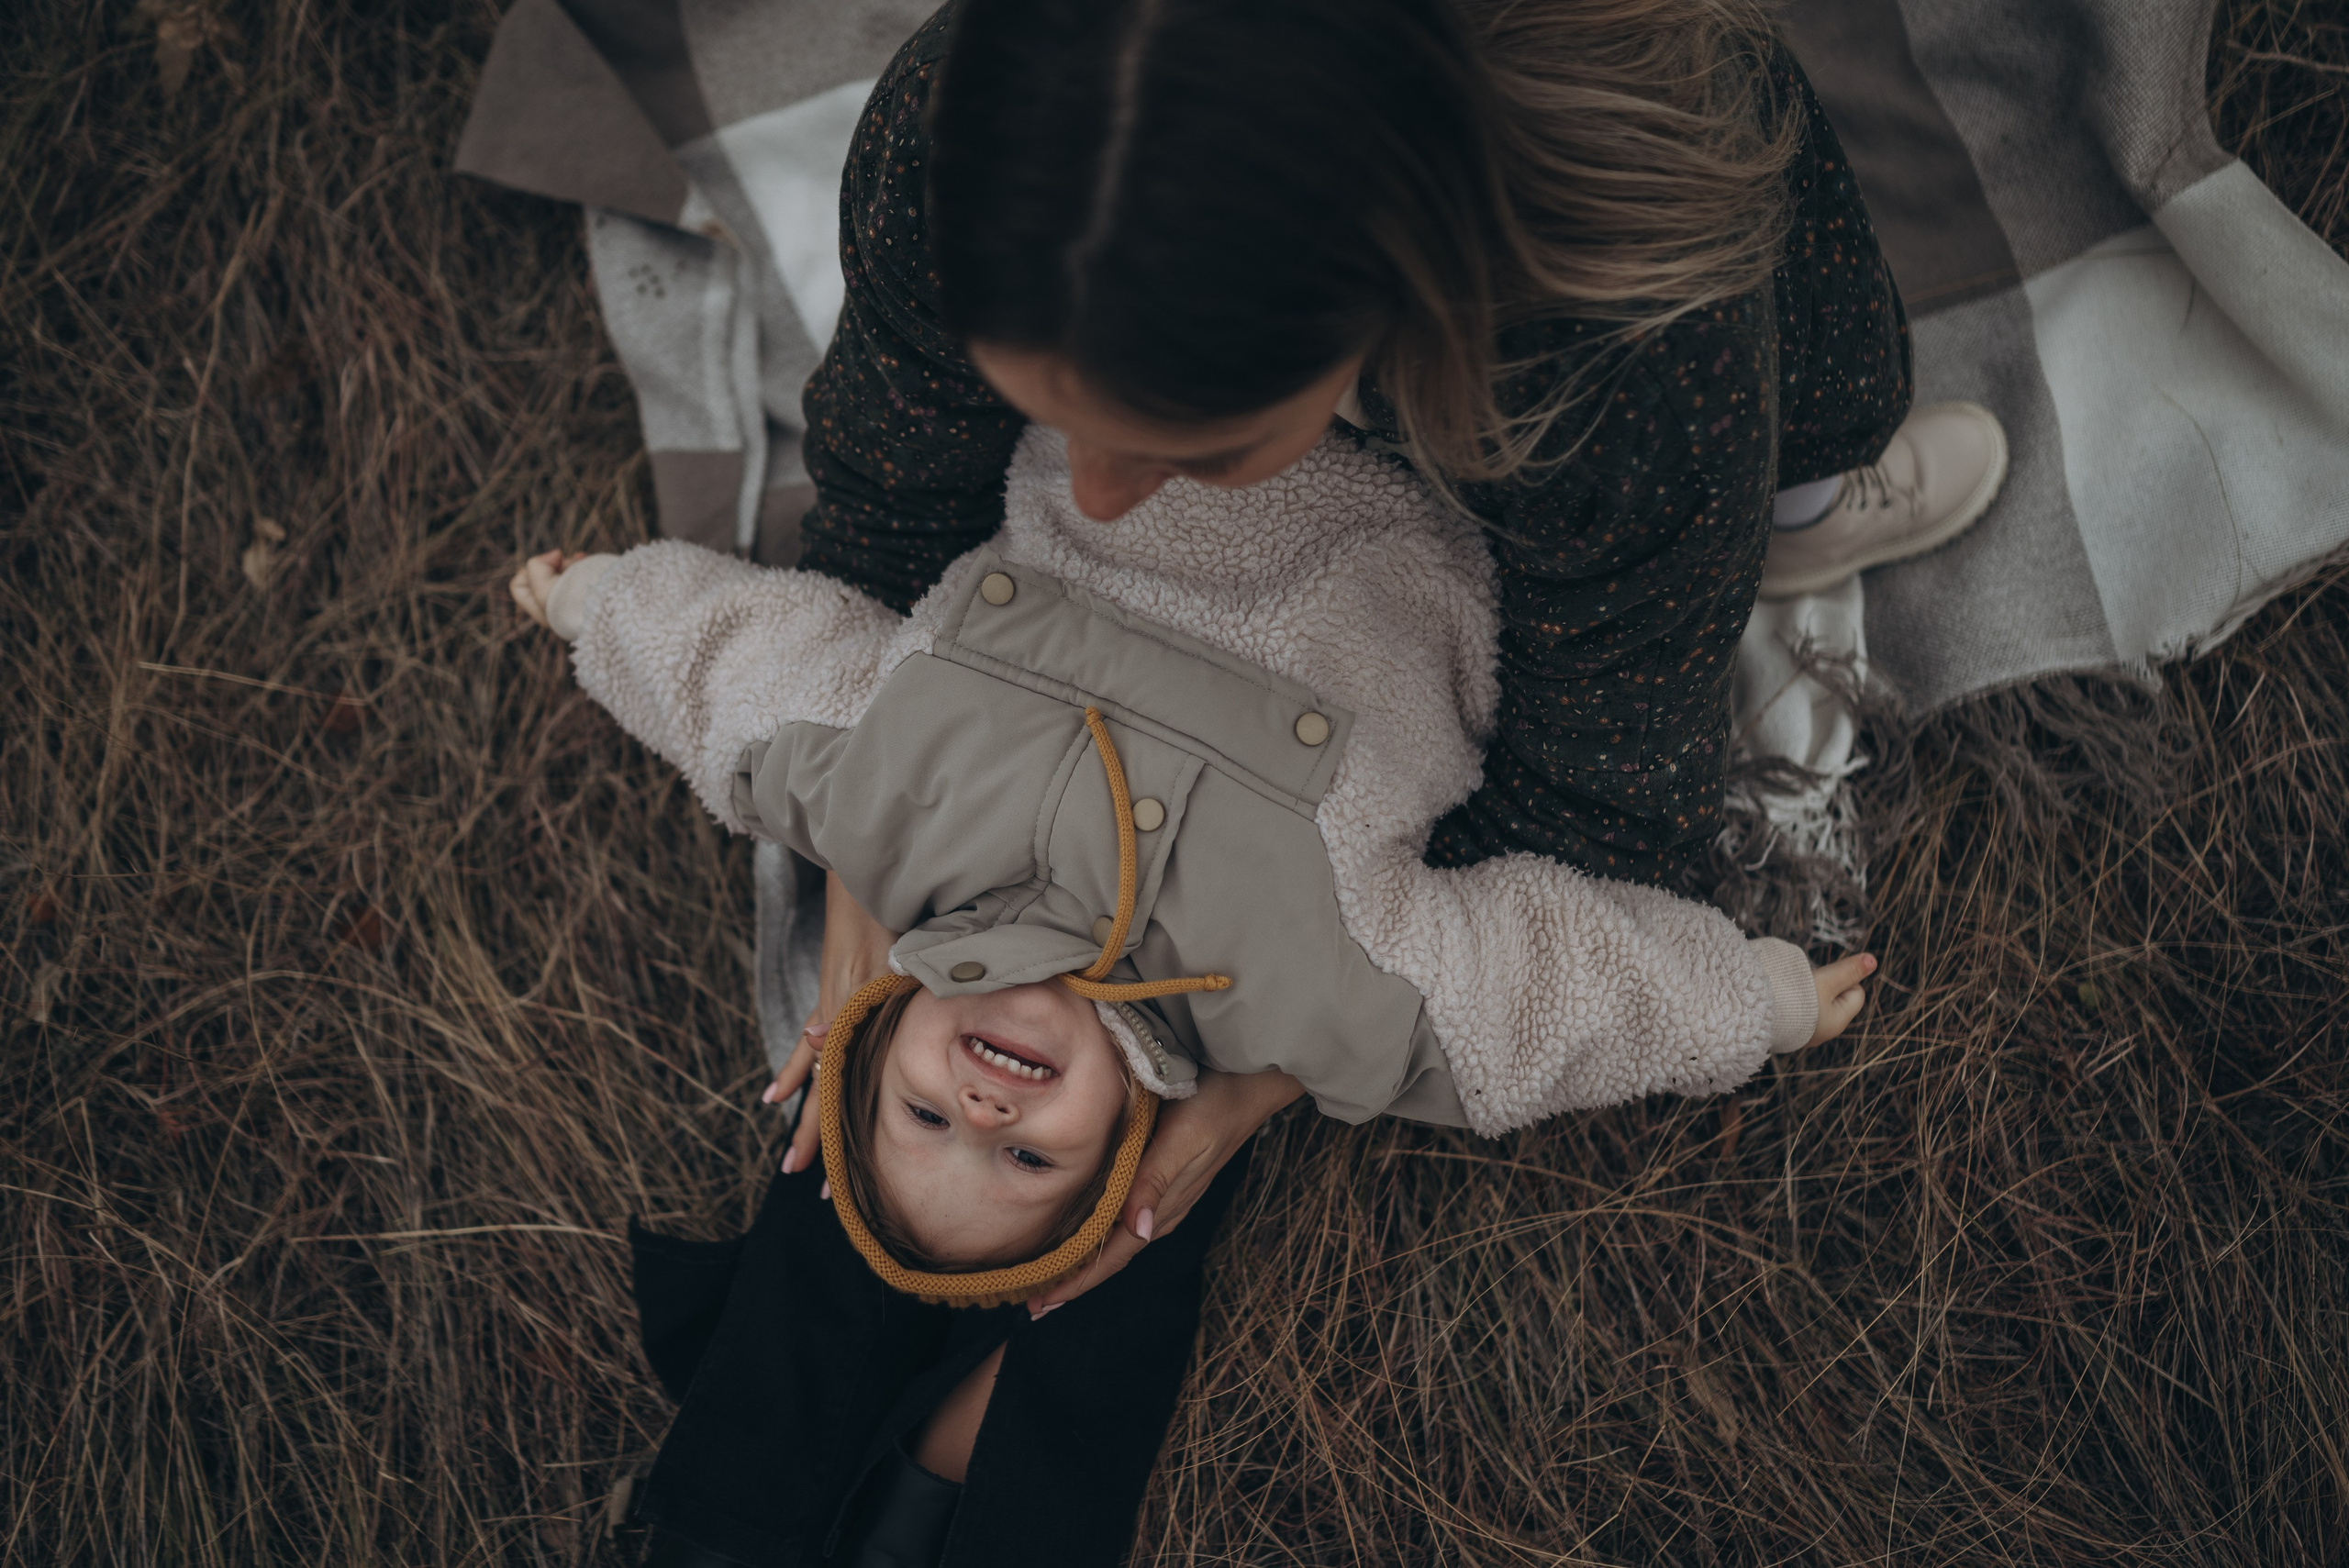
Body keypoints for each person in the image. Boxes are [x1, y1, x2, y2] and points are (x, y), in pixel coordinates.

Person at [544, 0, 1999, 1559]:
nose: (1081, 495)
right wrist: (855, 853)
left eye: (1194, 445)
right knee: (884, 1175)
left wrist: (1260, 1071)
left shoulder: (1627, 365)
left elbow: (1575, 844)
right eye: (1052, 415)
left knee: (1103, 1240)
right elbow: (888, 498)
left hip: (1569, 441)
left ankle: (1801, 488)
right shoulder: (969, 109)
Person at [511, 410, 1876, 1296]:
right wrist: (1745, 1001)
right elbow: (1526, 1004)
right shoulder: (1294, 997)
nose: (983, 1120)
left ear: (879, 1032)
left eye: (924, 1116)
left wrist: (594, 602)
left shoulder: (878, 801)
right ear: (1121, 1150)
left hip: (1146, 407)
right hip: (1438, 468)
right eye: (1026, 1164)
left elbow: (739, 680)